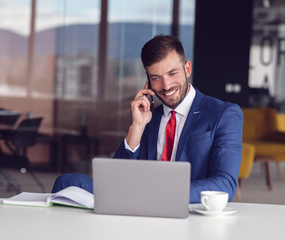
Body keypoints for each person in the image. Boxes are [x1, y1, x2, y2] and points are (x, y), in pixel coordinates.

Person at [52, 34, 243, 203]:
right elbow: (116, 177)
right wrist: (137, 126)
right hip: (137, 197)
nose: (166, 85)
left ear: (187, 69)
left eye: (172, 73)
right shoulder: (149, 117)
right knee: (67, 183)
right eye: (156, 77)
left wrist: (163, 193)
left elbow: (225, 183)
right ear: (148, 80)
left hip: (182, 202)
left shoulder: (223, 114)